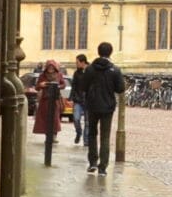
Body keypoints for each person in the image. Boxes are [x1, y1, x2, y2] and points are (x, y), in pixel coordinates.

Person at [76, 42, 126, 174]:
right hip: (107, 107)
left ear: (98, 52)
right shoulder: (114, 70)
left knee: (92, 134)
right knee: (105, 136)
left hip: (92, 106)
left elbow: (83, 87)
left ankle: (92, 162)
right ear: (110, 52)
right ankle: (102, 167)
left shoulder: (90, 69)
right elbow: (120, 88)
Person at [30, 58, 66, 165]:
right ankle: (47, 136)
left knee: (55, 118)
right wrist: (41, 85)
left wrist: (58, 86)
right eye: (49, 67)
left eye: (52, 67)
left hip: (54, 99)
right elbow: (37, 87)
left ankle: (53, 135)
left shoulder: (59, 75)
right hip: (45, 100)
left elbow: (63, 84)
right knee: (45, 119)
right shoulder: (42, 75)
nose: (50, 69)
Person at [69, 52, 91, 144]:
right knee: (76, 118)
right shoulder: (76, 73)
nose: (76, 64)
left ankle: (86, 141)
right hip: (78, 99)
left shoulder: (91, 71)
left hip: (89, 100)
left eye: (77, 62)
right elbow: (74, 85)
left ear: (83, 62)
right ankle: (79, 132)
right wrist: (71, 97)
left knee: (87, 122)